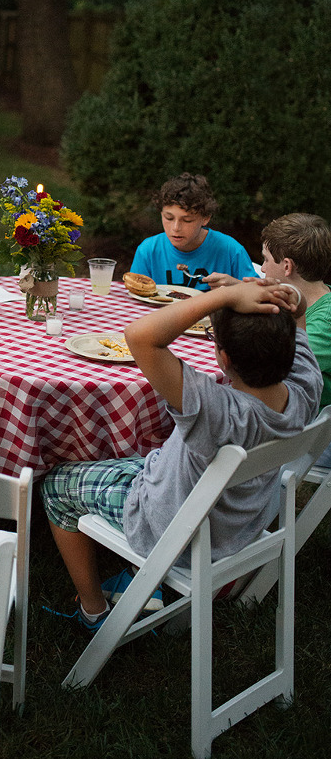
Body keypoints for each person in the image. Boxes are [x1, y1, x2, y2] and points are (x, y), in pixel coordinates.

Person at [41, 280, 321, 632]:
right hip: (238, 525)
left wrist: (223, 296)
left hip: (170, 527)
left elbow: (140, 335)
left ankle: (93, 611)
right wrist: (290, 299)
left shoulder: (216, 410)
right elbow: (299, 318)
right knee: (140, 455)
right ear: (290, 350)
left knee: (55, 485)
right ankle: (137, 581)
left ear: (224, 357)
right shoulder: (306, 389)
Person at [209, 212, 331, 470]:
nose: (262, 269)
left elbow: (273, 363)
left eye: (265, 260)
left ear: (287, 266)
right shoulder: (320, 302)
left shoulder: (325, 324)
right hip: (298, 421)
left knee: (213, 413)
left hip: (307, 437)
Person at [130, 172, 255, 289]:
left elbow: (259, 294)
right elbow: (134, 295)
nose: (175, 228)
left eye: (187, 220)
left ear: (205, 218)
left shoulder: (230, 250)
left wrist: (237, 286)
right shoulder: (149, 250)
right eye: (169, 218)